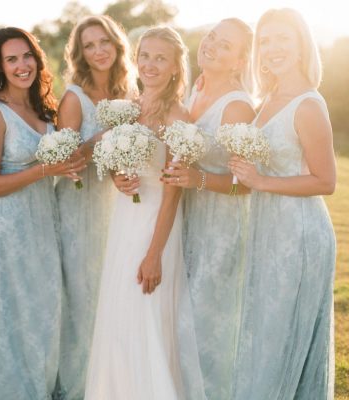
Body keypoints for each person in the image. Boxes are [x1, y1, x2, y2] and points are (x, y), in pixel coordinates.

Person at [84, 26, 205, 400]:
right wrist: (118, 177)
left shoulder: (177, 116)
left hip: (156, 226)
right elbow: (122, 161)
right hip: (125, 221)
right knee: (120, 317)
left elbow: (173, 193)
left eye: (160, 58)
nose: (150, 64)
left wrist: (154, 254)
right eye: (145, 55)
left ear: (174, 68)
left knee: (146, 316)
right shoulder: (130, 107)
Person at [0, 27, 84, 399]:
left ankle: (39, 385)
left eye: (27, 56)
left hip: (41, 223)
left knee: (43, 308)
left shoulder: (42, 108)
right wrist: (43, 171)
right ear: (0, 67)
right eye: (12, 59)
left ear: (37, 58)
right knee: (11, 314)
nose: (22, 66)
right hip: (5, 229)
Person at [229, 8, 336, 400]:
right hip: (267, 226)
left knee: (282, 332)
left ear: (301, 45)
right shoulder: (269, 97)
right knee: (265, 330)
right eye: (266, 41)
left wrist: (261, 180)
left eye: (283, 40)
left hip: (299, 234)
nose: (273, 49)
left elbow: (326, 181)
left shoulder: (308, 104)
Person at [161, 18, 255, 400]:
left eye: (226, 45)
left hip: (221, 231)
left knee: (204, 329)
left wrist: (196, 179)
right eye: (213, 37)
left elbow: (246, 183)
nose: (213, 45)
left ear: (239, 61)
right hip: (189, 223)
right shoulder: (193, 91)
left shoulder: (237, 107)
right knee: (179, 324)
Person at [54, 15, 137, 399]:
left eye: (104, 41)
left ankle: (110, 382)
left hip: (117, 207)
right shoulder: (74, 97)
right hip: (80, 207)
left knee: (114, 296)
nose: (98, 50)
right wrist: (103, 139)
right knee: (84, 298)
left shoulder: (129, 92)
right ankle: (77, 387)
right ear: (80, 54)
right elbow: (66, 162)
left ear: (116, 44)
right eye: (89, 45)